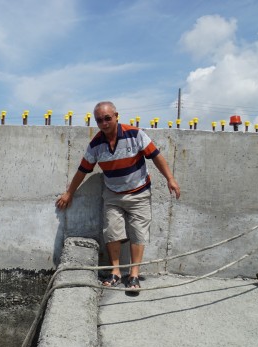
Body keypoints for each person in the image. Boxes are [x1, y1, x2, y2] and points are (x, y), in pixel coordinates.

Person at [55, 101, 180, 291]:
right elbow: (83, 170)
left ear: (116, 116)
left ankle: (134, 275)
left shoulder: (135, 134)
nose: (104, 123)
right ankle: (115, 272)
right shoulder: (96, 144)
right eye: (99, 120)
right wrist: (69, 193)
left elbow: (156, 156)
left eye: (107, 118)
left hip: (139, 193)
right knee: (112, 231)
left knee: (138, 233)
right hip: (113, 194)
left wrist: (170, 178)